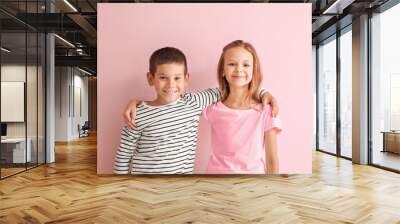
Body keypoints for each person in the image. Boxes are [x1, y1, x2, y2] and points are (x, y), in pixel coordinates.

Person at [115, 46, 278, 174]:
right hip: (144, 186)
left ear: (186, 79)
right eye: (163, 78)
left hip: (182, 188)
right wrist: (135, 102)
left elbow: (233, 88)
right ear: (151, 79)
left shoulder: (193, 103)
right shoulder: (138, 114)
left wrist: (263, 92)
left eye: (177, 78)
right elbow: (123, 156)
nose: (171, 84)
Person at [202, 40, 282, 174]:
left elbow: (272, 159)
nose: (239, 69)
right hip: (215, 183)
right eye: (232, 64)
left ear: (253, 71)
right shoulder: (211, 108)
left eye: (246, 65)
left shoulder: (266, 110)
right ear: (223, 70)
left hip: (253, 185)